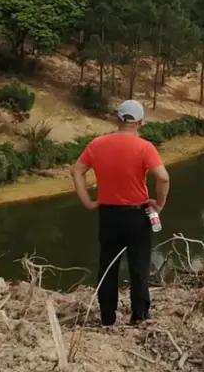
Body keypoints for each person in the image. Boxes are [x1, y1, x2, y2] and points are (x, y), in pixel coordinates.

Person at [71, 100, 170, 326]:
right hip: (137, 215)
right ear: (140, 122)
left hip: (108, 215)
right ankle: (139, 316)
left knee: (107, 265)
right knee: (139, 266)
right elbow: (163, 177)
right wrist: (160, 204)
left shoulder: (97, 144)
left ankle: (107, 317)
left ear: (118, 119)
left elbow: (77, 170)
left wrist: (88, 202)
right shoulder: (145, 147)